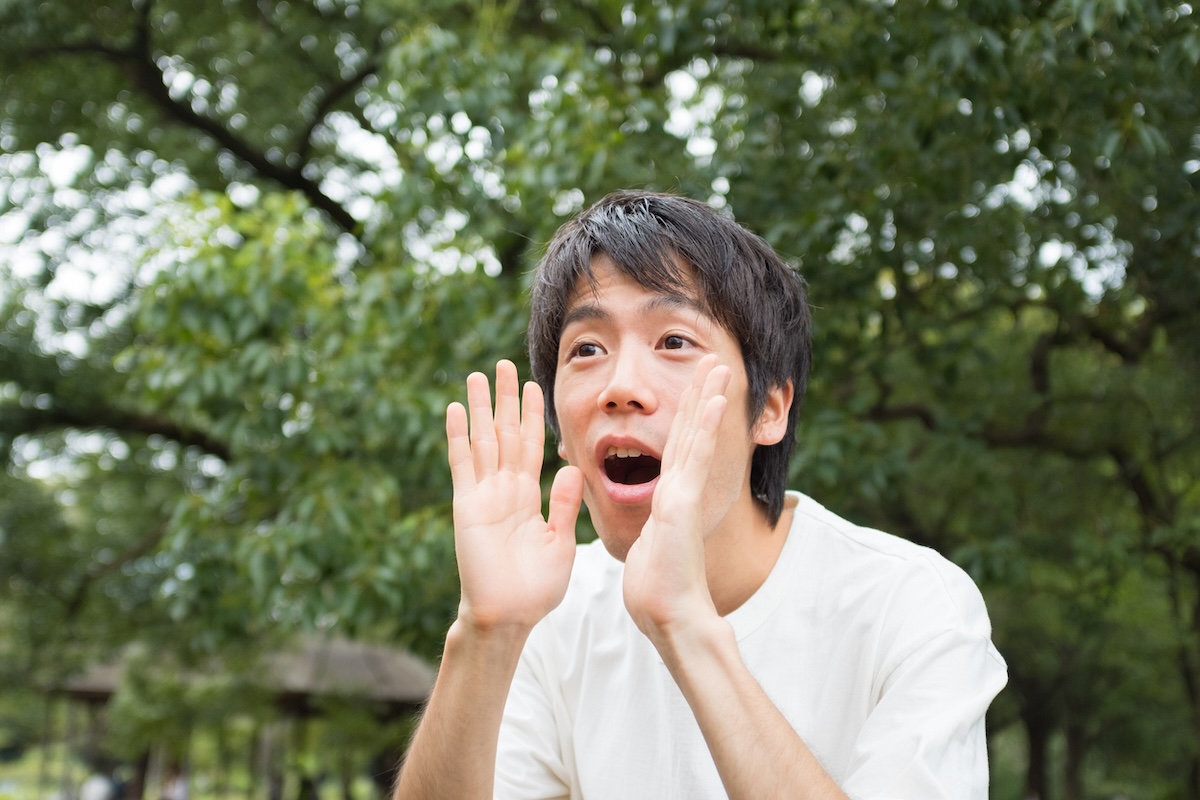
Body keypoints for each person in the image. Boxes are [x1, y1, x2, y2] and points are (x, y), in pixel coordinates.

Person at [393, 190, 1007, 799]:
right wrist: (485, 632)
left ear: (769, 409)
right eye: (587, 350)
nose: (620, 386)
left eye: (674, 342)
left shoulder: (914, 605)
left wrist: (684, 625)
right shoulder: (552, 612)